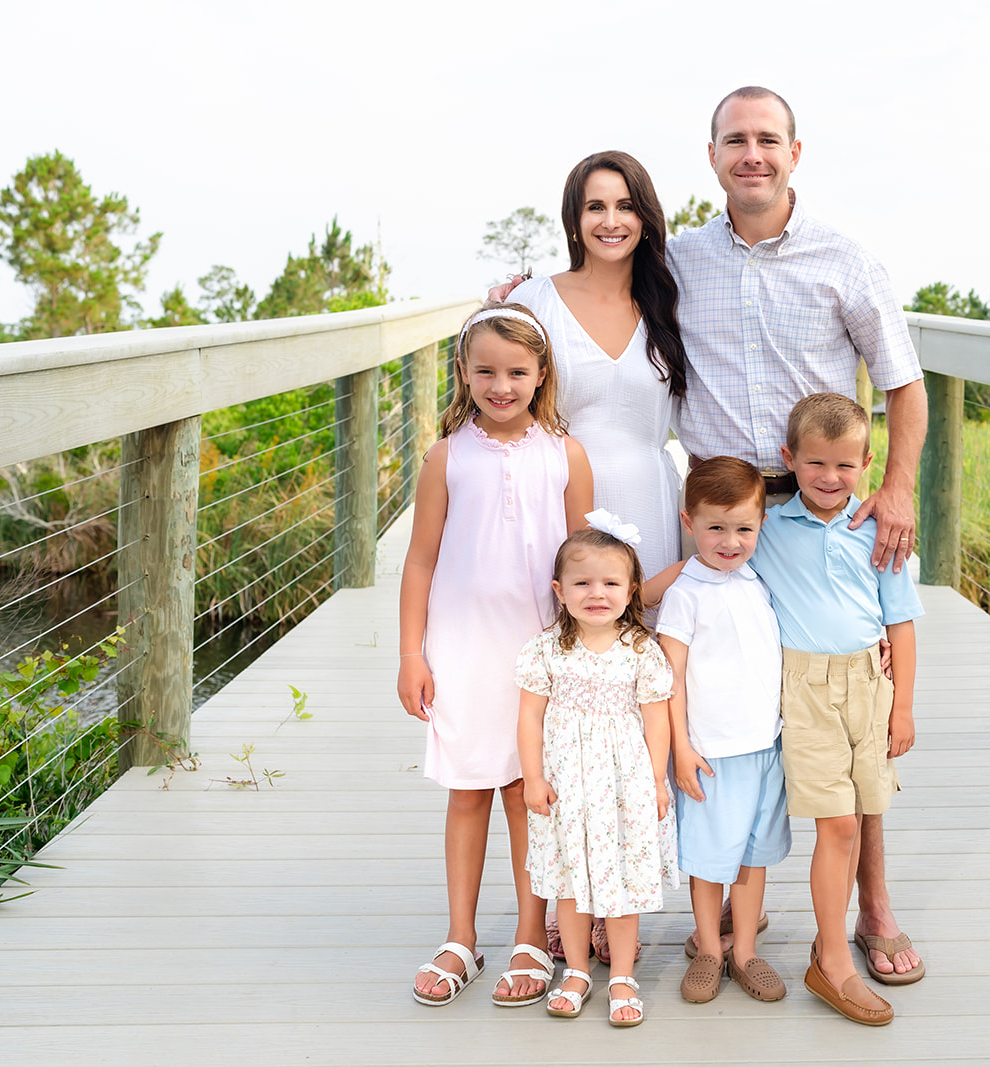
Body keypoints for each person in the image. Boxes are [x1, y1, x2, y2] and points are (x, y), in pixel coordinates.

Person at [669, 84, 928, 985]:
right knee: (725, 703)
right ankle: (730, 908)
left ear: (795, 152)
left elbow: (904, 382)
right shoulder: (676, 260)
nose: (752, 155)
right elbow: (596, 297)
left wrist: (893, 487)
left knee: (852, 690)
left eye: (768, 140)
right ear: (712, 156)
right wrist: (516, 298)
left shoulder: (844, 261)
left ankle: (874, 907)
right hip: (728, 515)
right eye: (734, 140)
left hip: (825, 502)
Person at [397, 303, 593, 1008]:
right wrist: (410, 653)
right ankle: (459, 936)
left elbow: (586, 559)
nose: (501, 384)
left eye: (516, 371)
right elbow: (419, 562)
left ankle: (531, 934)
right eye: (486, 370)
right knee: (470, 787)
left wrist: (583, 653)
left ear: (541, 374)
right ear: (464, 373)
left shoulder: (564, 454)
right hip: (462, 649)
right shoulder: (448, 456)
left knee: (527, 792)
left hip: (538, 650)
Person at [748, 394, 923, 1025]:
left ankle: (831, 945)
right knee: (839, 826)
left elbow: (899, 624)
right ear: (790, 459)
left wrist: (901, 708)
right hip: (807, 691)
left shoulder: (880, 530)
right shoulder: (766, 530)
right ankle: (834, 962)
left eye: (845, 466)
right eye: (816, 463)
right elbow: (706, 568)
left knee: (858, 814)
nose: (830, 478)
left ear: (868, 462)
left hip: (869, 691)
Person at [517, 520, 676, 1026]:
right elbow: (529, 718)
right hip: (566, 787)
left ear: (631, 590)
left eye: (610, 583)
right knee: (570, 882)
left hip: (622, 786)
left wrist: (655, 781)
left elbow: (656, 718)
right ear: (560, 591)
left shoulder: (640, 650)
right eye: (583, 583)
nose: (597, 594)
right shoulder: (546, 650)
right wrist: (533, 778)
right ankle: (578, 970)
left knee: (620, 881)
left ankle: (624, 975)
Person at [510, 150, 688, 586]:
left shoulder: (670, 303)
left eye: (626, 206)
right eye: (596, 207)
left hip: (648, 499)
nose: (612, 221)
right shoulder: (535, 301)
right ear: (574, 220)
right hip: (557, 500)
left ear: (645, 218)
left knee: (645, 636)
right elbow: (493, 382)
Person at [658, 457, 790, 1006]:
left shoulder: (759, 581)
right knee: (711, 857)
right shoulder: (685, 592)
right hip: (710, 751)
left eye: (743, 528)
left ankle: (745, 952)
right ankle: (709, 948)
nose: (730, 541)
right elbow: (671, 680)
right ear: (689, 523)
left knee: (753, 853)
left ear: (761, 525)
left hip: (765, 744)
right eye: (715, 527)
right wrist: (680, 749)